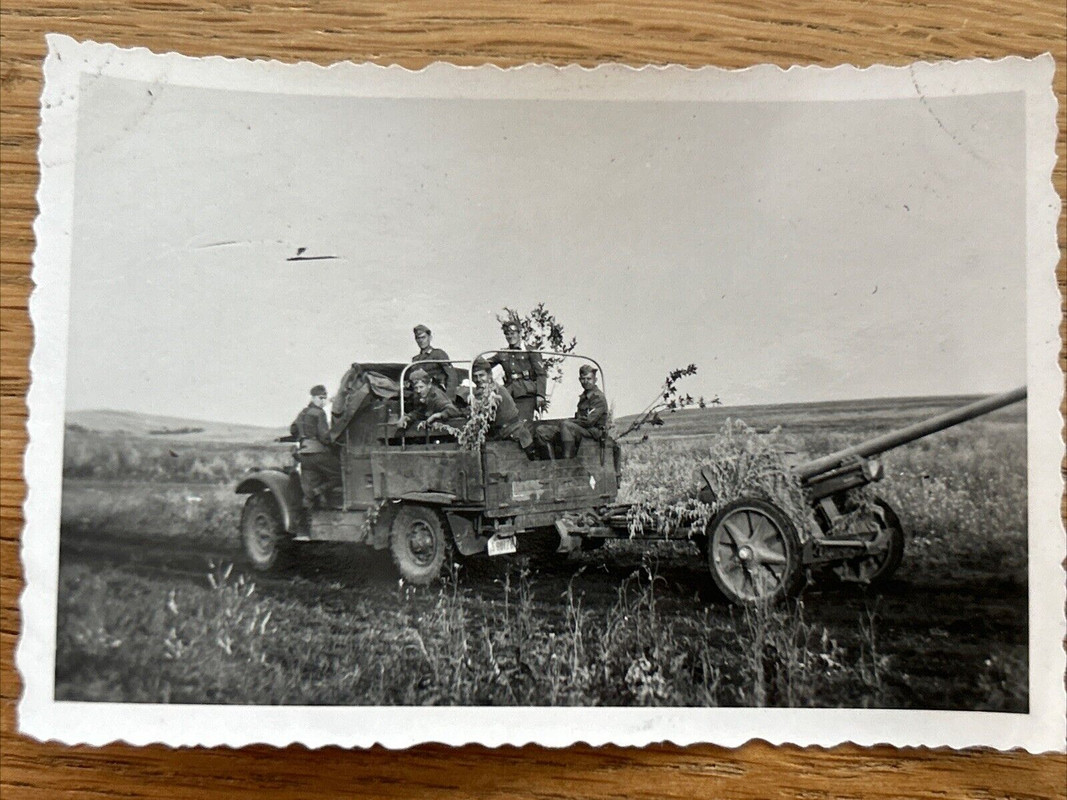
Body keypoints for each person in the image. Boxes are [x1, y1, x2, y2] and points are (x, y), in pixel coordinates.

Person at [536, 364, 609, 458]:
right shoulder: (584, 397)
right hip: (581, 430)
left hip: (592, 432)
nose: (586, 382)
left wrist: (568, 422)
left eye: (589, 379)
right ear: (579, 380)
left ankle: (567, 462)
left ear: (595, 380)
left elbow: (588, 421)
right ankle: (552, 464)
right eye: (583, 379)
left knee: (566, 425)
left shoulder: (598, 398)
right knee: (542, 431)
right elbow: (579, 419)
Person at [471, 357, 536, 457]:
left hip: (513, 437)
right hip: (505, 434)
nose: (478, 379)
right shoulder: (487, 390)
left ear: (489, 375)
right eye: (475, 376)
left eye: (481, 375)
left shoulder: (493, 391)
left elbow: (481, 412)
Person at [290, 384, 342, 507]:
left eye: (324, 398)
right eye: (320, 398)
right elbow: (324, 437)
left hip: (304, 456)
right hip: (318, 454)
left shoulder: (302, 413)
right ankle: (319, 491)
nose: (323, 401)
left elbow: (293, 430)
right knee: (341, 474)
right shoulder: (319, 413)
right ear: (312, 397)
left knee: (308, 491)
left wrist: (304, 436)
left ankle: (308, 512)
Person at [489, 320, 546, 421]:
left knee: (523, 423)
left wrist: (540, 395)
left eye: (512, 333)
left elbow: (541, 374)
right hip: (509, 394)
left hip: (526, 394)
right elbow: (485, 364)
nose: (510, 336)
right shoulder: (503, 353)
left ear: (520, 333)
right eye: (507, 334)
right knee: (507, 422)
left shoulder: (530, 351)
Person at [397, 367, 465, 431]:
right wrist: (408, 417)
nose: (418, 391)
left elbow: (453, 410)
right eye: (416, 388)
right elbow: (420, 412)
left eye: (421, 387)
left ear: (429, 385)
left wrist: (438, 415)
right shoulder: (419, 396)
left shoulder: (436, 396)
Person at [411, 324, 457, 398]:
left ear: (430, 338)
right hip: (420, 394)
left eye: (423, 337)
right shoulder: (415, 360)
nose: (421, 341)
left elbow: (452, 376)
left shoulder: (438, 354)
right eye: (418, 338)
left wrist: (449, 398)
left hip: (436, 394)